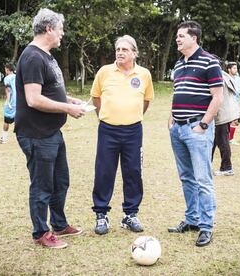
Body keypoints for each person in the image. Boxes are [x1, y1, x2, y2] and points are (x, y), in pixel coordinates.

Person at [15, 8, 85, 249]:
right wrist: (66, 108)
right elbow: (33, 99)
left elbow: (51, 89)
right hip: (36, 134)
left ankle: (59, 223)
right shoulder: (33, 56)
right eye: (60, 29)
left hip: (52, 132)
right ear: (48, 29)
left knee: (60, 181)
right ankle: (40, 233)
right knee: (42, 185)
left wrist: (70, 99)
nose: (62, 34)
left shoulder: (47, 55)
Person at [91, 35, 154, 235]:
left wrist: (130, 116)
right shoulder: (104, 72)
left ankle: (130, 215)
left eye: (125, 50)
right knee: (104, 172)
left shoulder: (144, 74)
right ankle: (101, 215)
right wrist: (107, 116)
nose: (120, 53)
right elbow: (96, 98)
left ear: (134, 53)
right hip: (107, 129)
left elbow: (146, 101)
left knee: (133, 172)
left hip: (133, 131)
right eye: (118, 49)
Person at [167, 21, 223, 247]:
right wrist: (171, 118)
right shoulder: (179, 64)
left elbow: (217, 97)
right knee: (186, 177)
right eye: (177, 36)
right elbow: (178, 92)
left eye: (181, 36)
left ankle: (206, 226)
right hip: (178, 129)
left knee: (202, 179)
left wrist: (203, 124)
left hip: (197, 129)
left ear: (194, 38)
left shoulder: (210, 61)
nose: (177, 39)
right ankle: (192, 219)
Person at [212, 63, 240, 176]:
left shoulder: (217, 77)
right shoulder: (224, 75)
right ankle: (206, 165)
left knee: (222, 142)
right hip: (227, 113)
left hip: (221, 114)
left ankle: (227, 167)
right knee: (213, 141)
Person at [227, 62, 240, 144]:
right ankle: (230, 139)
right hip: (229, 103)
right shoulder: (226, 78)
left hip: (236, 102)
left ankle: (229, 138)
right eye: (234, 68)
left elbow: (239, 88)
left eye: (236, 68)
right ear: (229, 69)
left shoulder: (238, 79)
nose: (236, 70)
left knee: (235, 121)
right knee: (235, 120)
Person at [0, 63, 16, 144]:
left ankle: (4, 139)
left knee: (7, 120)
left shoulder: (7, 78)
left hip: (12, 102)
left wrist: (8, 102)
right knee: (19, 120)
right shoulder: (18, 77)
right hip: (20, 102)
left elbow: (8, 91)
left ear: (7, 69)